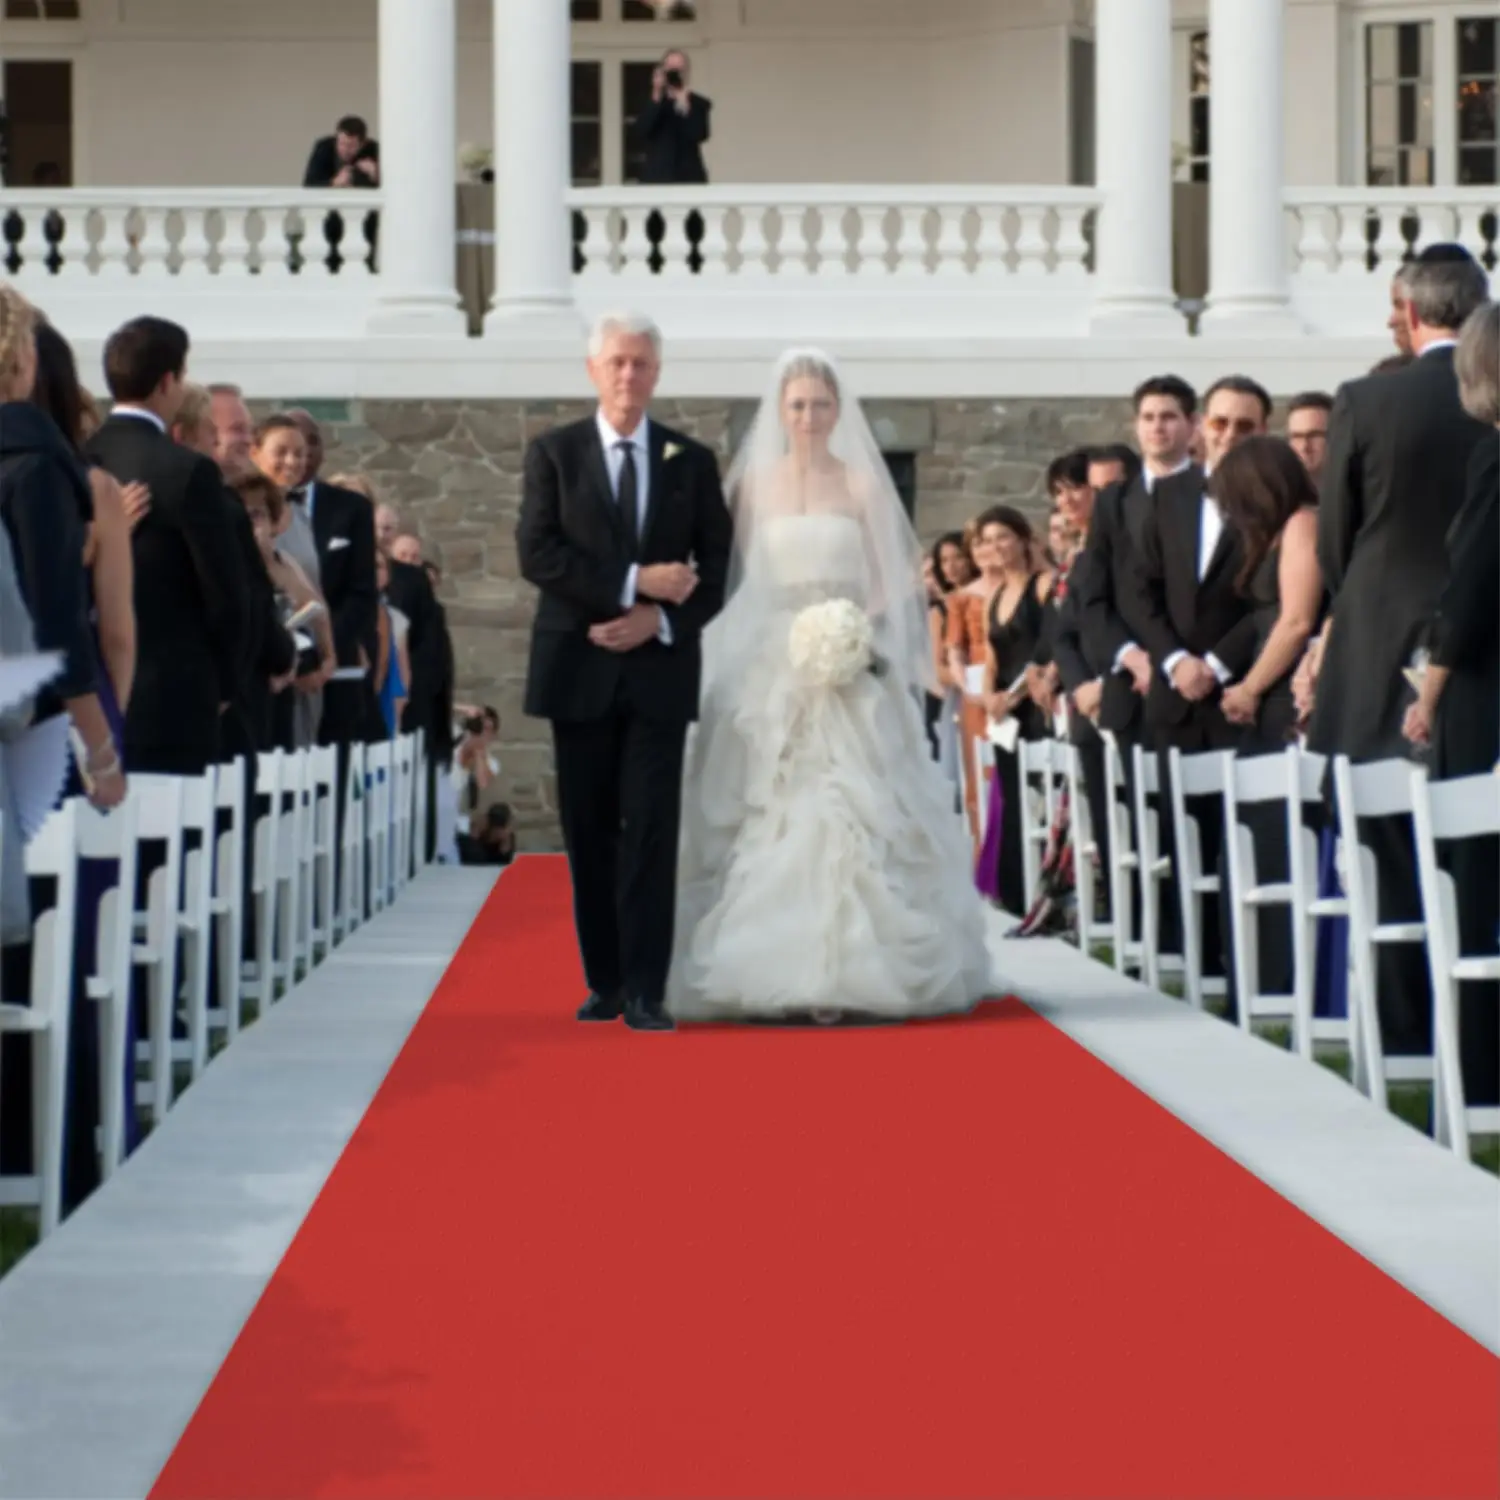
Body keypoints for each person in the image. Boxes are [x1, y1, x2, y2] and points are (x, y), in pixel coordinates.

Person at [667, 348, 992, 1024]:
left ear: (838, 411)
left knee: (855, 807)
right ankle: (764, 962)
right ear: (779, 414)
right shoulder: (754, 486)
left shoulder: (863, 487)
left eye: (819, 404)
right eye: (796, 406)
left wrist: (854, 628)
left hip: (848, 658)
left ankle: (859, 970)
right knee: (770, 807)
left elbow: (896, 576)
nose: (808, 417)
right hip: (773, 658)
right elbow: (734, 575)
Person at [516, 312, 734, 1033]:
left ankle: (646, 989)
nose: (627, 375)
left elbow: (717, 569)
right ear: (592, 371)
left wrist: (659, 620)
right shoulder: (554, 454)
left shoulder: (690, 461)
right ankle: (603, 980)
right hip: (577, 666)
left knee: (649, 829)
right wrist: (634, 580)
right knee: (588, 828)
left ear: (657, 372)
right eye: (615, 363)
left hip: (658, 673)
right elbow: (538, 553)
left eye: (640, 363)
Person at [1307, 246, 1490, 1067]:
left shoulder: (1368, 399)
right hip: (1486, 647)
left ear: (1412, 313)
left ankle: (1409, 1034)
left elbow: (1337, 541)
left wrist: (1367, 606)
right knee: (1476, 846)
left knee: (1386, 845)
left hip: (1381, 648)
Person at [1402, 299, 1499, 1116]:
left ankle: (1482, 1076)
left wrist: (1426, 691)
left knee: (1479, 883)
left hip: (1487, 697)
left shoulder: (1495, 460)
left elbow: (1468, 594)